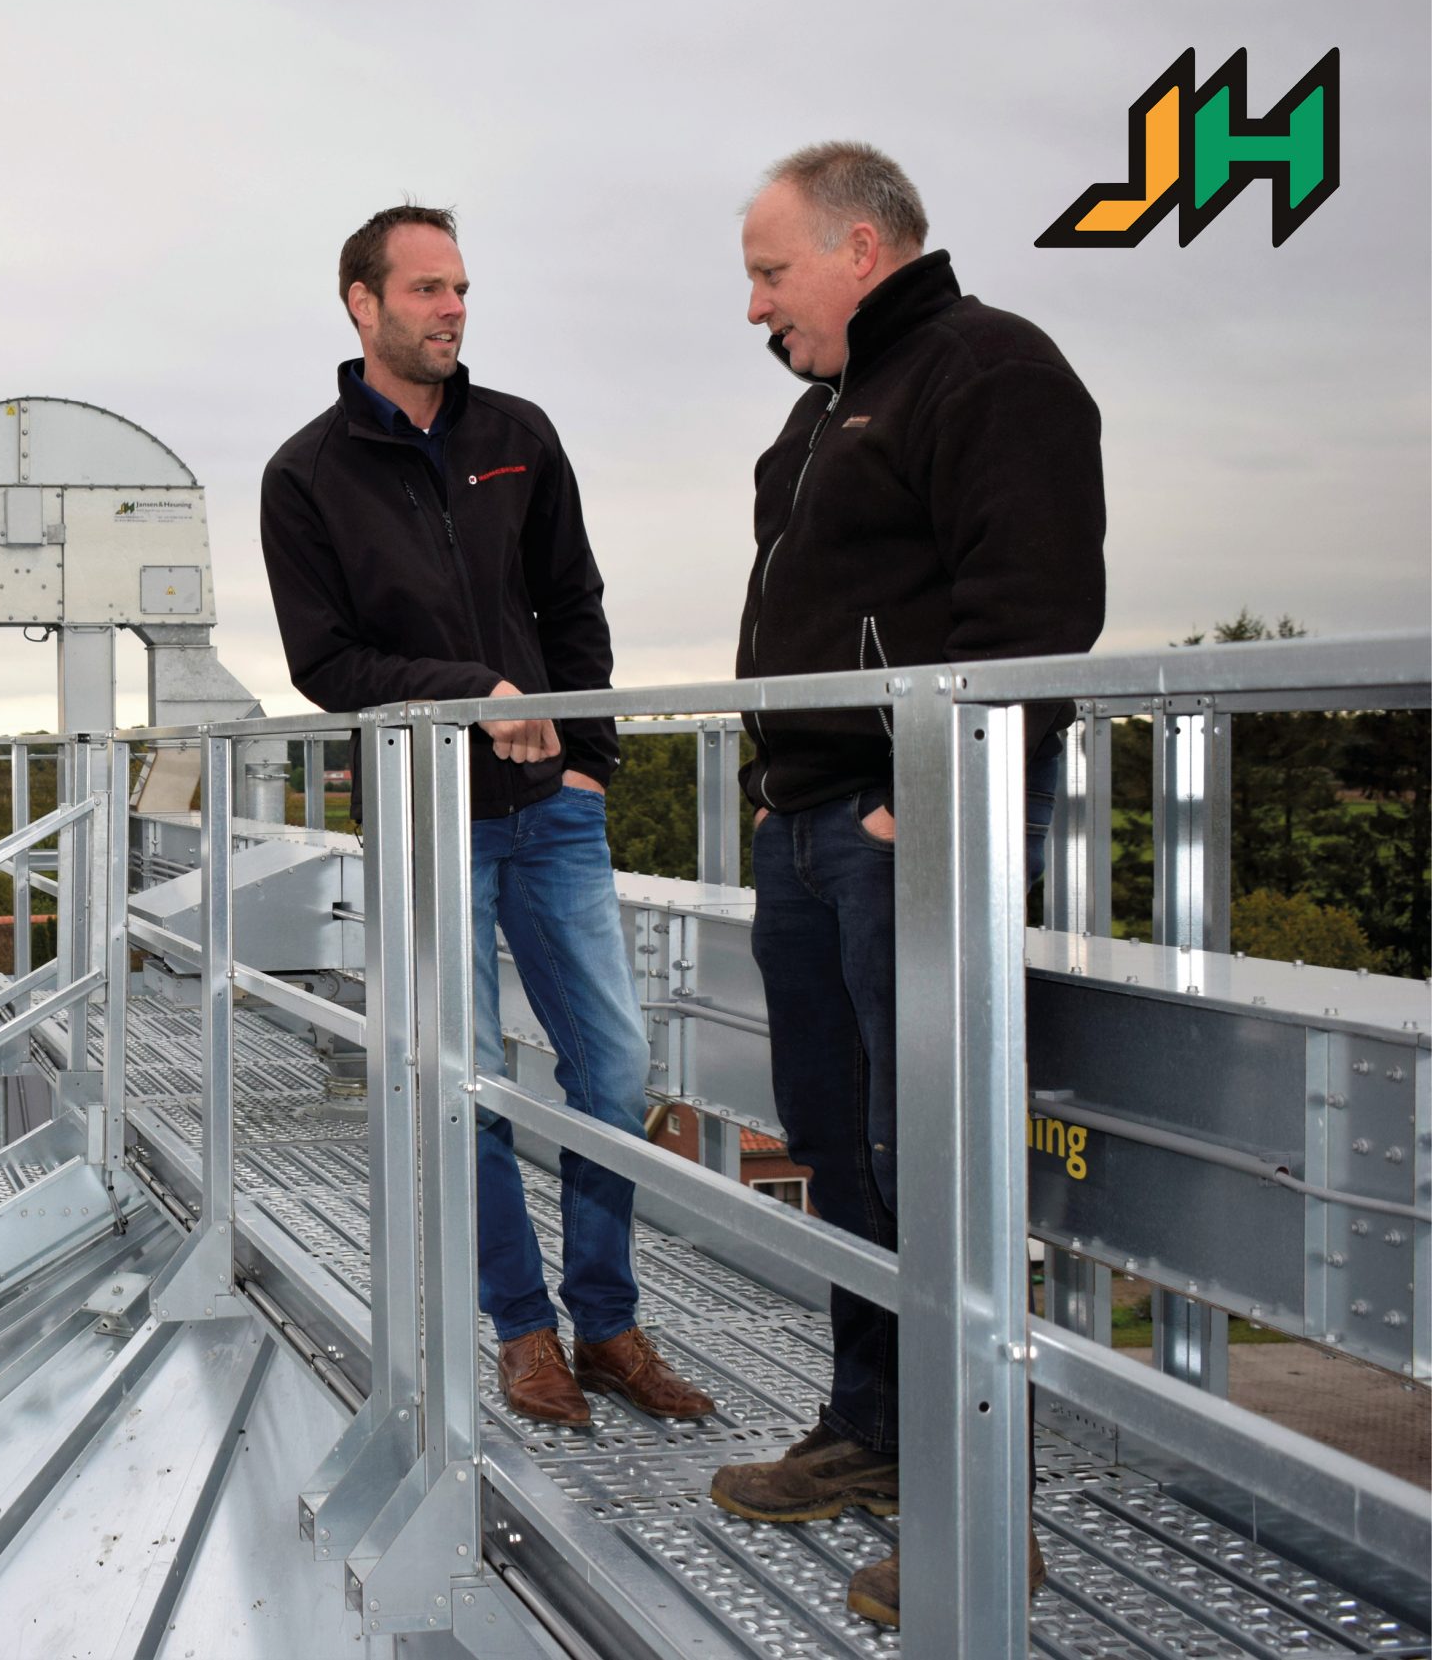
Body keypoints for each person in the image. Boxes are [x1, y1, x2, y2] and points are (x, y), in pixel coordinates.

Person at [707, 143, 1106, 1627]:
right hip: (807, 822)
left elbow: (1038, 612)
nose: (757, 305)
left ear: (860, 248)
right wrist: (783, 792)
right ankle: (874, 1427)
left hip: (910, 825)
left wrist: (914, 803)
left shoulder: (990, 370)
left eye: (771, 271)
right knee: (837, 1144)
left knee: (935, 1153)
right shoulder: (821, 408)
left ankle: (980, 1506)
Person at [259, 204, 713, 1430]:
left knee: (612, 1068)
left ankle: (606, 1321)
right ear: (361, 303)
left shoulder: (519, 434)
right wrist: (475, 692)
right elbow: (327, 665)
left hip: (552, 811)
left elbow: (573, 602)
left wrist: (590, 759)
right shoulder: (304, 474)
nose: (453, 309)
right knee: (468, 1079)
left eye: (460, 288)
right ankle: (523, 1329)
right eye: (426, 290)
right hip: (427, 820)